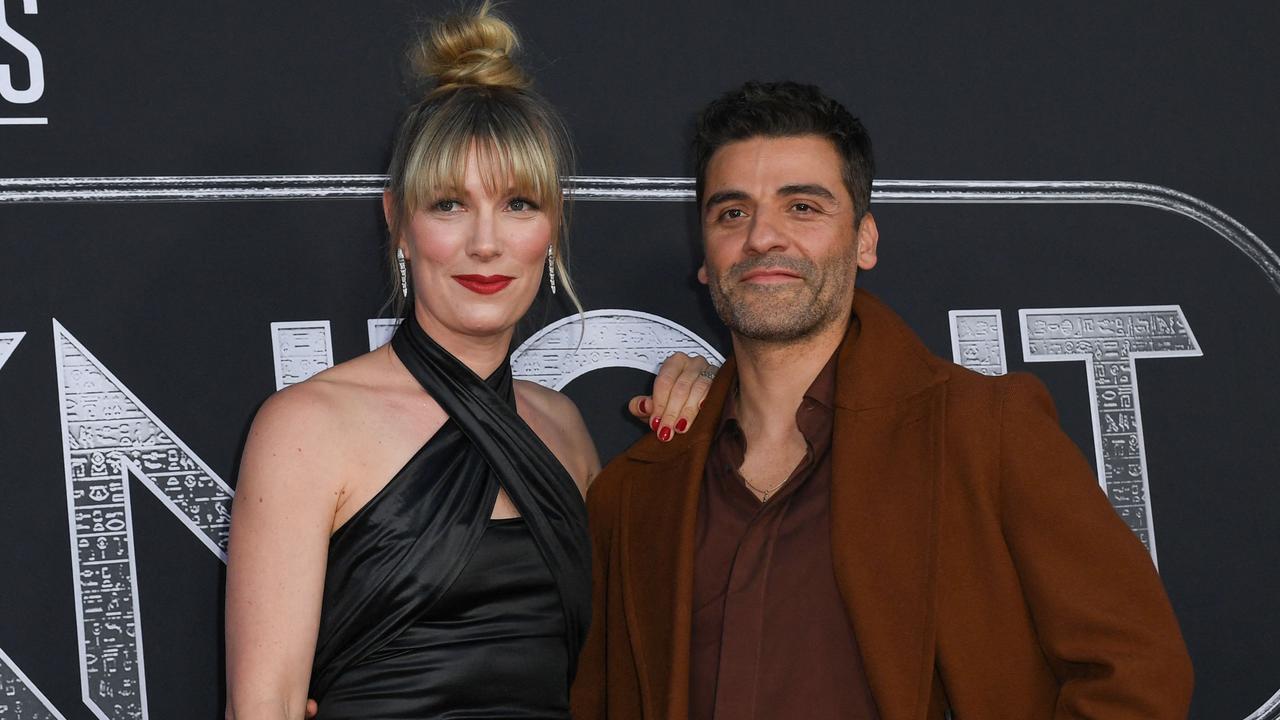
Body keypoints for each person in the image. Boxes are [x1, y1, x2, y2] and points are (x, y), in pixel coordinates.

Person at [571, 81, 1194, 719]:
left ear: (865, 240)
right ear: (705, 257)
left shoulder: (985, 432)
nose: (763, 237)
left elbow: (1137, 674)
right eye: (732, 212)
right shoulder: (634, 496)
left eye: (803, 207)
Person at [223, 6, 712, 719]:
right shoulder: (306, 428)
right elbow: (261, 707)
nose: (486, 243)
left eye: (518, 204)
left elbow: (640, 654)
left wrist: (700, 423)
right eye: (449, 204)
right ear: (397, 222)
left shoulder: (565, 428)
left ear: (553, 226)